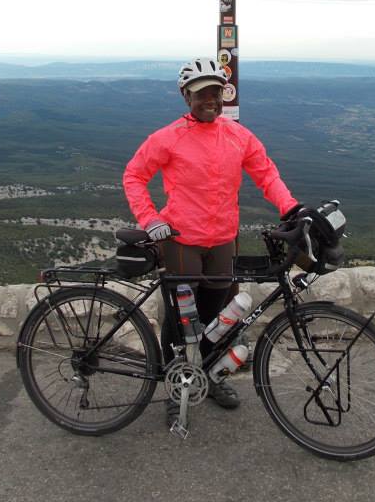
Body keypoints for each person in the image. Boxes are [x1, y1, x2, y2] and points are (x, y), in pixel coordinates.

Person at [123, 57, 300, 425]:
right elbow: (134, 176)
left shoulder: (238, 136)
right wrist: (150, 219)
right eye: (201, 93)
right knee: (180, 322)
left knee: (217, 318)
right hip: (181, 241)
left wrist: (291, 208)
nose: (210, 100)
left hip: (222, 241)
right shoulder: (168, 137)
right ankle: (176, 388)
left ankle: (210, 376)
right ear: (186, 97)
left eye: (216, 93)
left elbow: (266, 175)